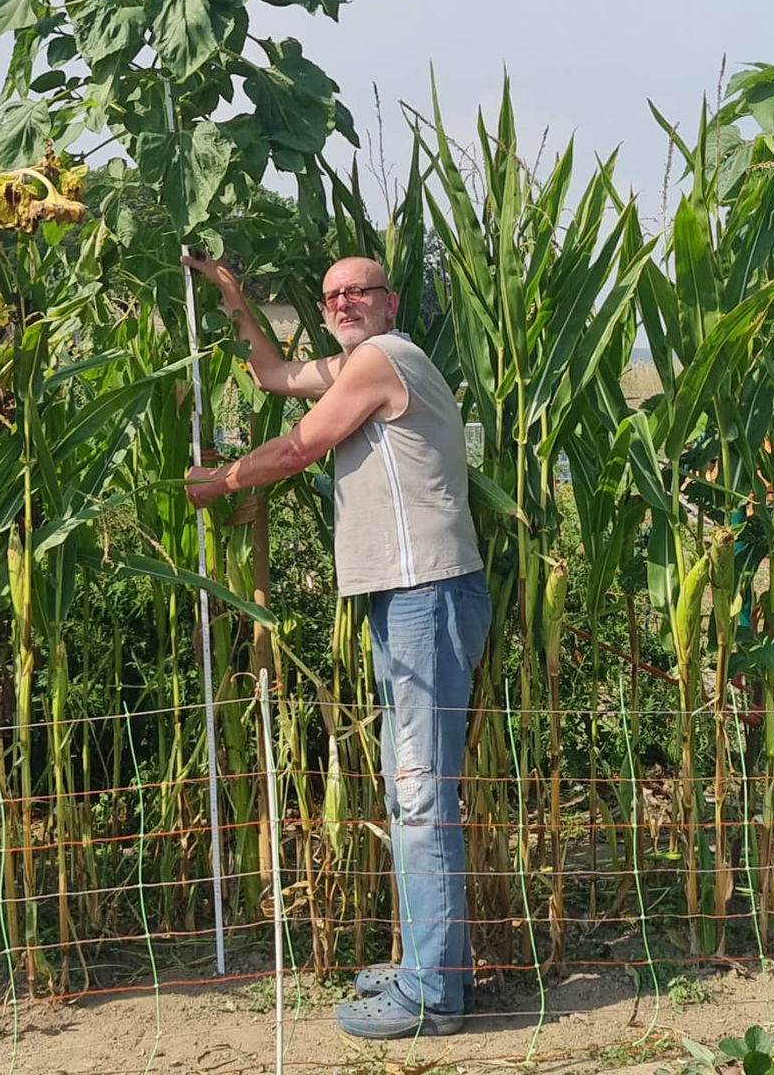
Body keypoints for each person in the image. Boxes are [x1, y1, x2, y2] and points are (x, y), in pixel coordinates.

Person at [183, 253, 491, 1042]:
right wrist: (232, 297)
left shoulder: (385, 358)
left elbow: (296, 447)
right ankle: (433, 970)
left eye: (359, 289)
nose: (345, 300)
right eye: (331, 295)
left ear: (389, 302)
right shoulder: (359, 360)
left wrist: (219, 481)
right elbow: (274, 377)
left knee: (419, 793)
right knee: (408, 786)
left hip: (426, 593)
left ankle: (429, 996)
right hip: (403, 596)